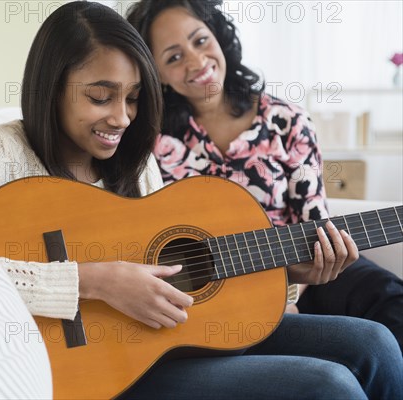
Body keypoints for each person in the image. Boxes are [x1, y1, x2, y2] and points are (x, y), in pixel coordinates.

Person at [0, 2, 403, 399]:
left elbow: (179, 275)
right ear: (51, 88)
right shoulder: (1, 149)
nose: (121, 118)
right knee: (328, 383)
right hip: (107, 367)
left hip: (171, 338)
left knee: (376, 344)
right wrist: (91, 281)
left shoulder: (136, 160)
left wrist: (288, 274)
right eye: (101, 96)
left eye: (134, 98)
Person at [126, 0, 403, 354]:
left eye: (199, 41)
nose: (197, 62)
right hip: (212, 289)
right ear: (157, 73)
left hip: (303, 270)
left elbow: (313, 224)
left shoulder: (288, 120)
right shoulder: (148, 140)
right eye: (174, 58)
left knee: (392, 303)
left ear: (218, 37)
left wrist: (291, 289)